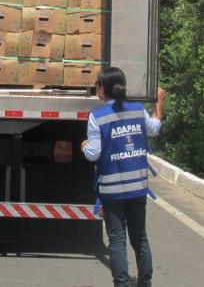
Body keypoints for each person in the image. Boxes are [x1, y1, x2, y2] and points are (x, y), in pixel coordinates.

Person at [81, 68, 164, 287]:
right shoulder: (138, 110)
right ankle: (145, 283)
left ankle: (122, 284)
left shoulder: (97, 117)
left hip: (112, 190)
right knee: (140, 238)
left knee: (117, 241)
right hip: (138, 188)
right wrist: (159, 104)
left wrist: (84, 145)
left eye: (97, 85)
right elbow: (154, 128)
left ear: (102, 90)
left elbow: (93, 153)